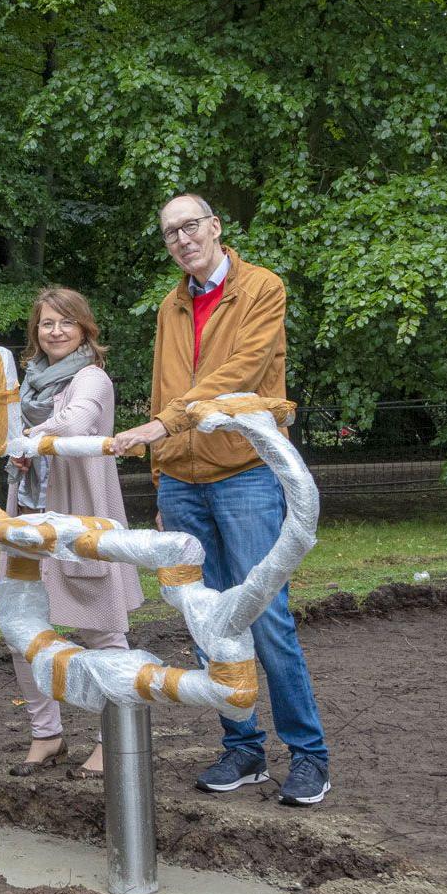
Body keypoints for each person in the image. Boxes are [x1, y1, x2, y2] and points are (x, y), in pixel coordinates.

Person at [112, 193, 331, 806]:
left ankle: (308, 754)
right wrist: (163, 476)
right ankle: (244, 747)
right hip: (183, 479)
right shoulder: (170, 306)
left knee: (266, 616)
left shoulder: (262, 288)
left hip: (245, 473)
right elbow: (165, 383)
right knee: (206, 617)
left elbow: (239, 372)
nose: (182, 239)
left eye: (190, 226)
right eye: (169, 233)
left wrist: (161, 427)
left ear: (214, 227)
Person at [2, 287, 142, 778]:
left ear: (85, 328)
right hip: (27, 523)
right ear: (35, 332)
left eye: (66, 322)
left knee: (102, 634)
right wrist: (19, 451)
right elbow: (16, 437)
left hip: (78, 523)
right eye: (46, 323)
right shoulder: (29, 383)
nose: (55, 331)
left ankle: (113, 740)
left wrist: (31, 439)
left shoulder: (92, 378)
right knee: (22, 633)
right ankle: (47, 733)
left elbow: (79, 424)